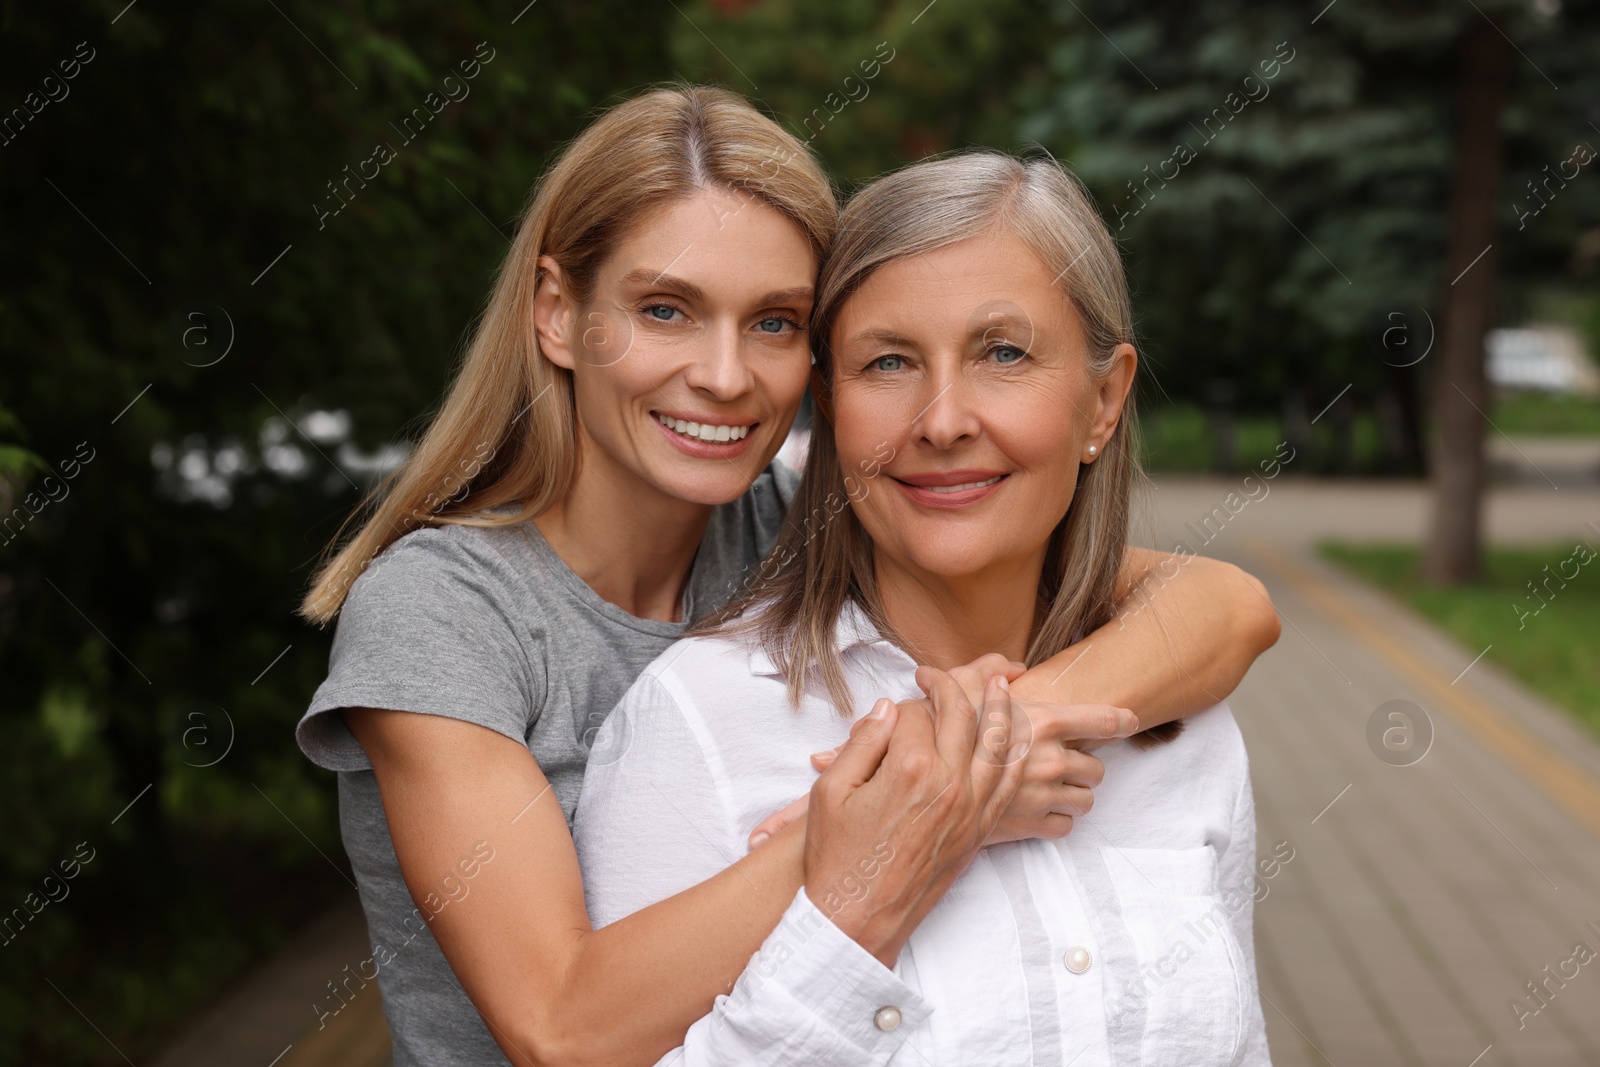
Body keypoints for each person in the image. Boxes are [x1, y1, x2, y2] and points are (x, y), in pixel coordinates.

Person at [295, 87, 1279, 1067]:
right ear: (558, 313)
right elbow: (558, 1025)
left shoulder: (793, 524)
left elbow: (1219, 604)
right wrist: (906, 807)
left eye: (772, 323)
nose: (724, 374)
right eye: (666, 309)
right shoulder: (442, 611)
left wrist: (988, 736)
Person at [576, 150, 1272, 1065]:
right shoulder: (698, 723)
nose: (942, 421)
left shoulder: (1184, 726)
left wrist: (968, 760)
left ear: (1103, 401)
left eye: (1003, 353)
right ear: (829, 405)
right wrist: (861, 885)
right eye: (889, 361)